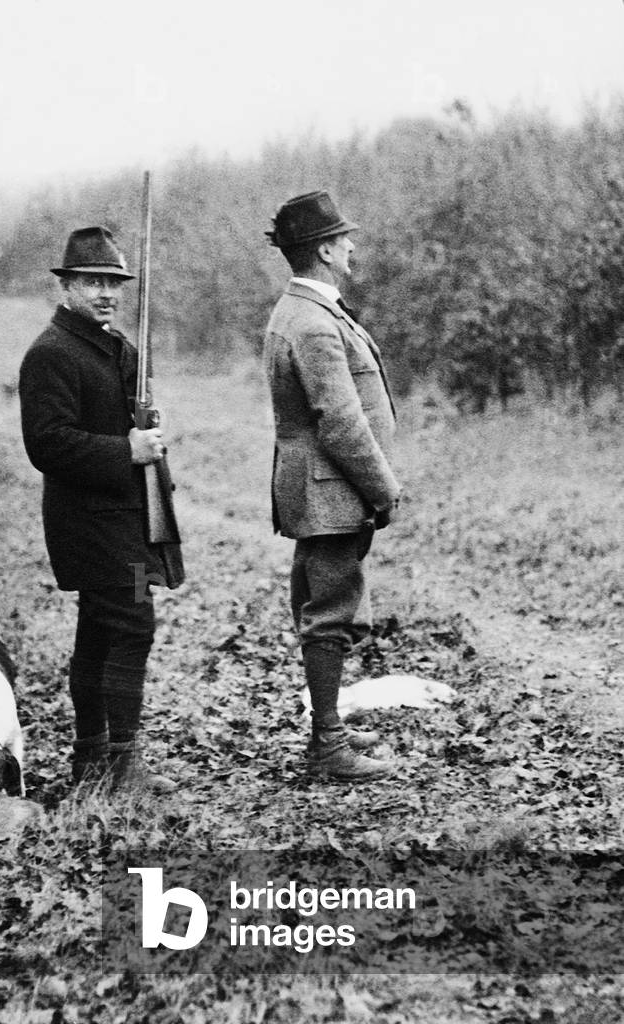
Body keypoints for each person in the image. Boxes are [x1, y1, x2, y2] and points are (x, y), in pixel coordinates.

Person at [19, 226, 176, 792]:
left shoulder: (119, 348)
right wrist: (126, 450)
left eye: (114, 282)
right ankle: (123, 765)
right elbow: (47, 443)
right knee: (133, 625)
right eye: (92, 282)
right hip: (90, 526)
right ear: (66, 286)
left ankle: (91, 759)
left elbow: (122, 417)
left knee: (100, 633)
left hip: (125, 521)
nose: (107, 293)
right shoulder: (51, 353)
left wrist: (145, 425)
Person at [263, 190, 401, 782]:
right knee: (330, 613)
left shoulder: (308, 311)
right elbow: (341, 422)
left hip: (325, 487)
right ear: (323, 250)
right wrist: (383, 489)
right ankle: (327, 746)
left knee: (329, 605)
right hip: (331, 488)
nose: (351, 247)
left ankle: (330, 730)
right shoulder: (313, 322)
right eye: (344, 239)